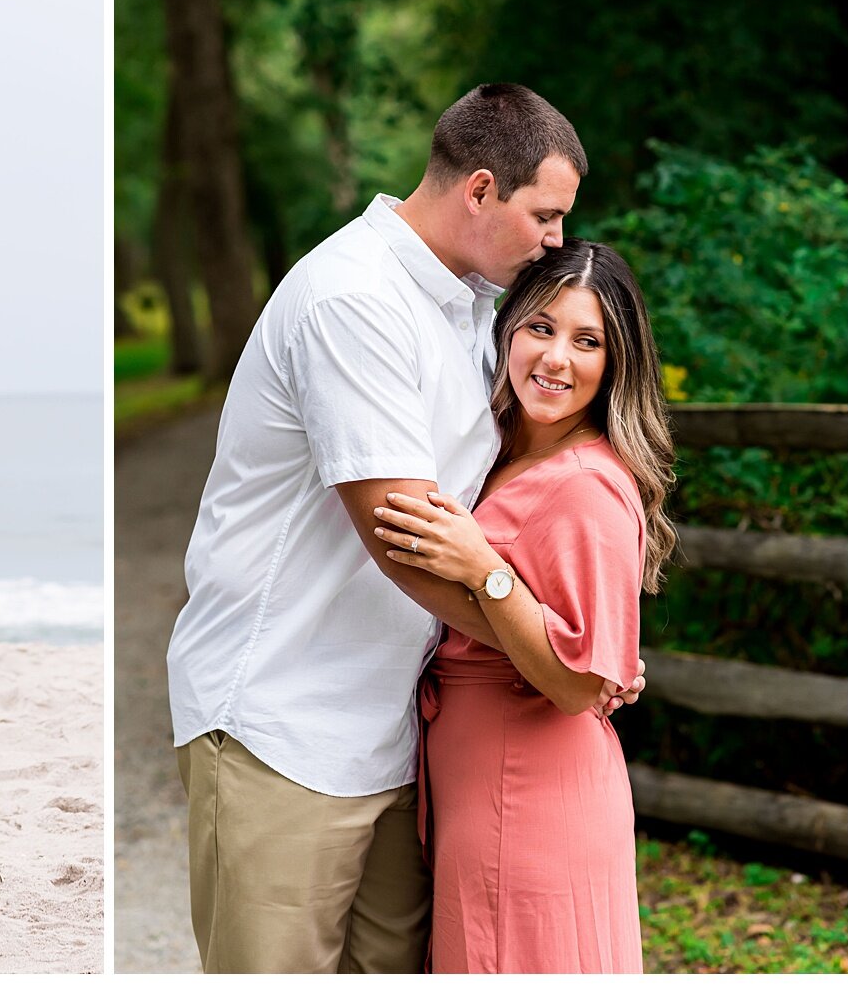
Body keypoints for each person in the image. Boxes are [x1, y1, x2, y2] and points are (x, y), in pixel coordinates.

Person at [165, 83, 645, 973]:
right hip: (284, 723)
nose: (554, 239)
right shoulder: (355, 299)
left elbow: (514, 511)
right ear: (479, 190)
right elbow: (403, 538)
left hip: (392, 737)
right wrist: (558, 652)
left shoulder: (470, 305)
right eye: (545, 214)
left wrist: (585, 636)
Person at [373, 239, 674, 971]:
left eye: (587, 340)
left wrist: (487, 571)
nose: (556, 358)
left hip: (530, 795)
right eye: (541, 326)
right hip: (484, 784)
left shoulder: (588, 485)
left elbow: (577, 683)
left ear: (616, 362)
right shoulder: (493, 447)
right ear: (508, 329)